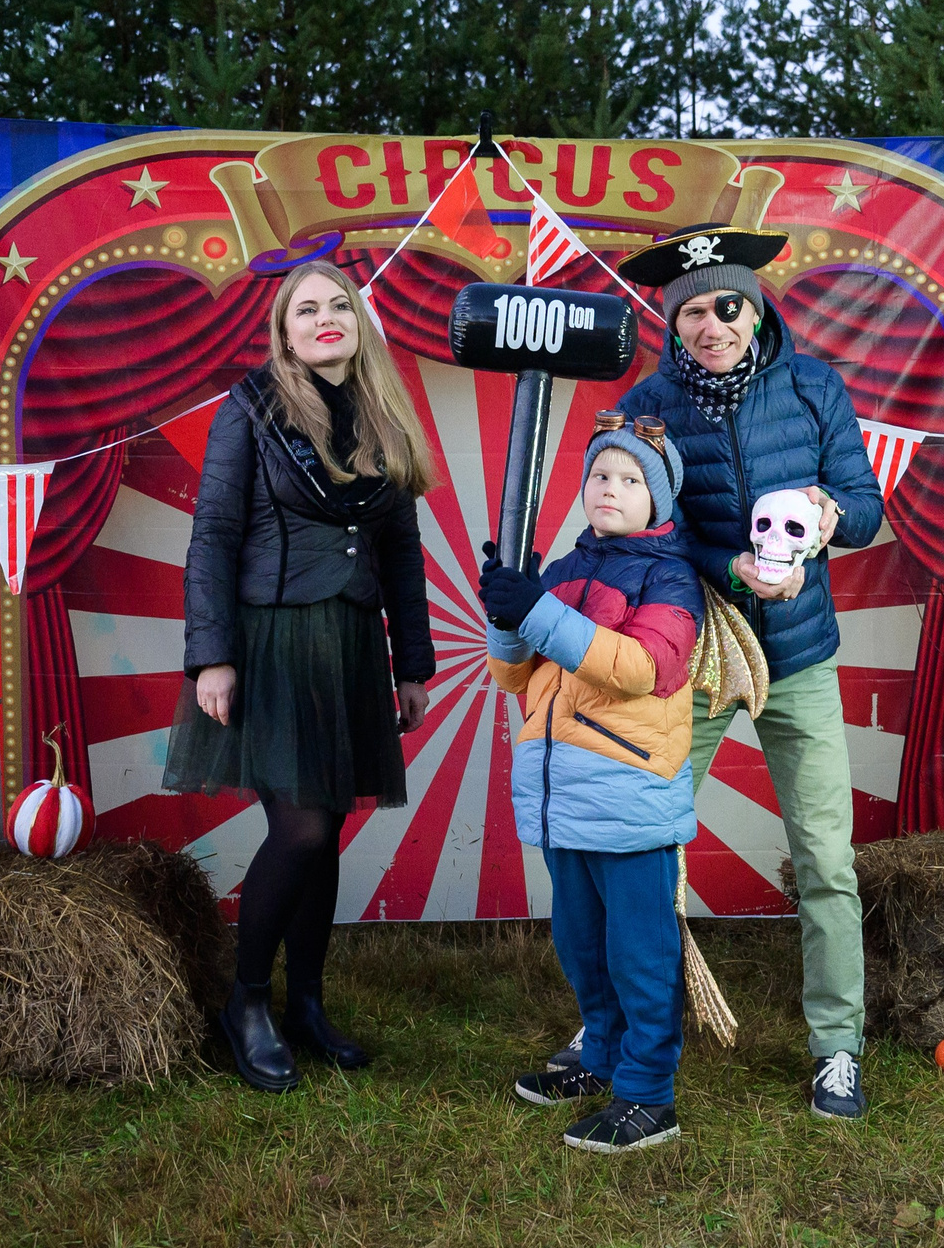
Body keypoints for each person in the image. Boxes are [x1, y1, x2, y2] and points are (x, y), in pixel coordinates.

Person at [611, 226, 886, 1120]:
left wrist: (824, 510)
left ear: (754, 304)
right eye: (692, 311)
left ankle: (836, 1047)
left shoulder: (813, 387)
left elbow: (866, 509)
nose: (711, 324)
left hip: (800, 654)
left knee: (825, 857)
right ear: (673, 320)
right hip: (698, 649)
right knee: (640, 841)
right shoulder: (651, 404)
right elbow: (652, 524)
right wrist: (731, 569)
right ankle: (619, 1029)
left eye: (726, 305)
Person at [167, 262, 436, 1093]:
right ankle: (244, 1002)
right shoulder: (250, 407)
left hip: (353, 642)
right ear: (283, 331)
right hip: (270, 641)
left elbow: (399, 552)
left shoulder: (384, 413)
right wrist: (212, 654)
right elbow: (212, 534)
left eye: (337, 306)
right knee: (304, 830)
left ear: (358, 321)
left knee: (327, 836)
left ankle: (306, 1005)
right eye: (305, 309)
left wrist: (412, 667)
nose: (324, 318)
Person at [482, 413, 703, 1152]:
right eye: (601, 475)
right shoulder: (566, 569)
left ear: (659, 499)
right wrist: (506, 613)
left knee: (638, 952)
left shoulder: (670, 576)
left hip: (629, 798)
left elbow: (643, 668)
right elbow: (515, 673)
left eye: (631, 478)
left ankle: (649, 1096)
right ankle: (601, 1057)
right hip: (562, 798)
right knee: (581, 943)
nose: (610, 487)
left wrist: (540, 611)